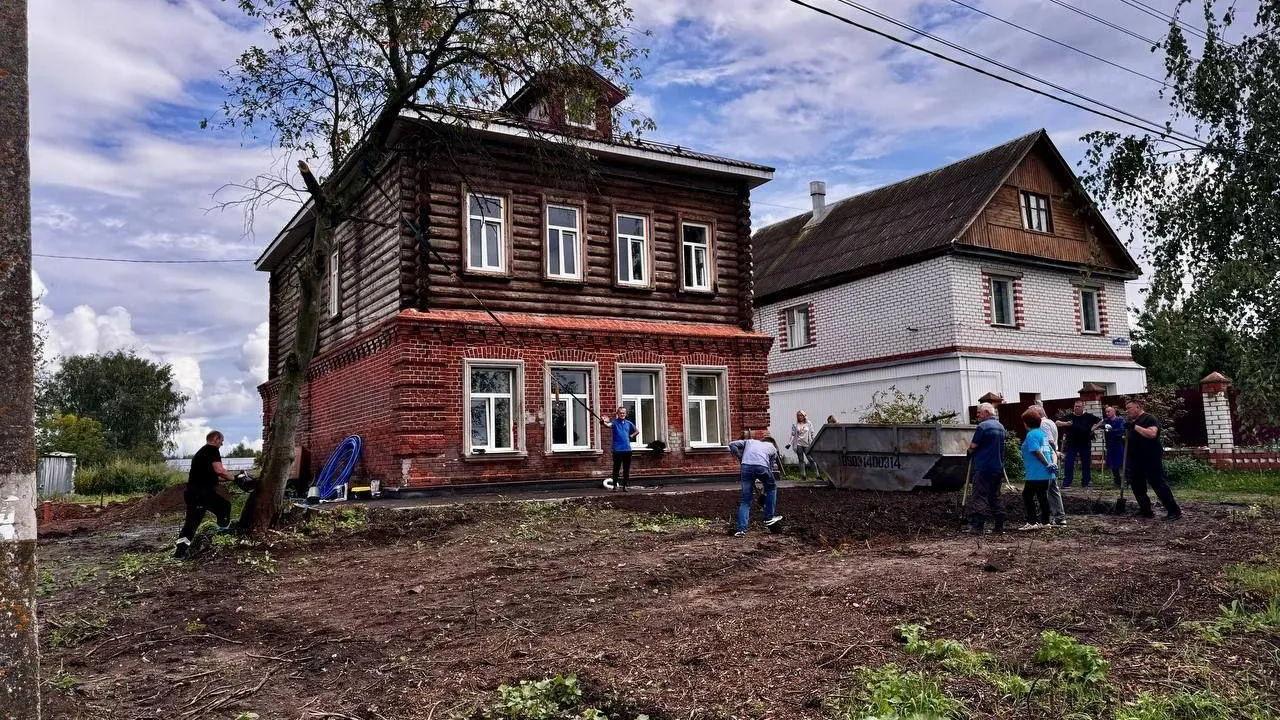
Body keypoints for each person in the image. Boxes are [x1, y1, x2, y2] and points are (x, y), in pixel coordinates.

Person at [175, 430, 235, 558]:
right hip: (200, 494)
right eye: (222, 441)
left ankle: (180, 552)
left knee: (221, 508)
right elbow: (220, 471)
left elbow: (212, 475)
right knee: (222, 508)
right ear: (216, 439)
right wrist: (236, 479)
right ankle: (222, 537)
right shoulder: (212, 450)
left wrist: (231, 477)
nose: (222, 444)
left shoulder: (202, 453)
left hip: (196, 492)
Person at [1124, 399, 1182, 520]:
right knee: (1137, 484)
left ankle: (1174, 510)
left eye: (1129, 408)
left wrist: (1135, 427)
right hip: (1136, 458)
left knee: (1157, 483)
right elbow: (1133, 438)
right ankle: (1146, 510)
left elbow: (1151, 434)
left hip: (1150, 457)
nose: (1127, 410)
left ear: (1138, 407)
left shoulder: (1149, 418)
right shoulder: (1134, 422)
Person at [728, 435, 783, 537]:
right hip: (762, 467)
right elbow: (769, 469)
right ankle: (769, 517)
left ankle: (741, 529)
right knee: (772, 488)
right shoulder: (772, 448)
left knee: (745, 500)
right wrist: (764, 491)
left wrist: (740, 456)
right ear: (772, 443)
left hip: (745, 467)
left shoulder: (749, 442)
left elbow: (732, 444)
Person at [965, 402, 1006, 535]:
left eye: (979, 413)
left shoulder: (982, 427)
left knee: (979, 495)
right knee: (995, 496)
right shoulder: (1001, 427)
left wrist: (969, 452)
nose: (978, 415)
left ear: (986, 413)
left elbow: (973, 445)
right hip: (997, 467)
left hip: (983, 467)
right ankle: (999, 525)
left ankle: (978, 527)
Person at [1019, 409, 1057, 529]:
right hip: (1045, 472)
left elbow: (1036, 451)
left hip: (1036, 472)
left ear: (1026, 423)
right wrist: (1053, 464)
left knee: (1027, 495)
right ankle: (1045, 522)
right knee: (1042, 496)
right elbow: (1052, 452)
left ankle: (1032, 522)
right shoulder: (1042, 434)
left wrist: (1046, 464)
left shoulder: (1031, 434)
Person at [1032, 404, 1068, 526]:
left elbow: (1049, 441)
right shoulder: (1051, 422)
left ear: (1038, 413)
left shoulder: (1042, 424)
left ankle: (1045, 517)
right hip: (1052, 458)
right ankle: (1059, 517)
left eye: (1031, 413)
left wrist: (1052, 459)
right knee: (1053, 488)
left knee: (1044, 489)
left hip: (1046, 459)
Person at [1056, 400, 1102, 488]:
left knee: (1086, 462)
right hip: (1072, 443)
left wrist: (1093, 428)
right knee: (1069, 462)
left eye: (1078, 406)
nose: (1076, 408)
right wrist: (1066, 423)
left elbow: (1100, 421)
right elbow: (1057, 422)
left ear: (1083, 407)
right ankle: (1067, 482)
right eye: (1075, 406)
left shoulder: (1088, 416)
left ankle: (1086, 481)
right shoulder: (1069, 416)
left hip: (1085, 443)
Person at [602, 406, 639, 491]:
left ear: (626, 414)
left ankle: (625, 486)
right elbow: (608, 425)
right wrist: (603, 422)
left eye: (623, 413)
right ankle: (615, 486)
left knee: (626, 469)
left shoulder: (629, 423)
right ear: (617, 414)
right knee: (616, 468)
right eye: (620, 413)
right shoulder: (615, 423)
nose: (622, 414)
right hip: (617, 450)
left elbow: (637, 431)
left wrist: (631, 436)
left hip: (627, 450)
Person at [786, 410, 822, 482]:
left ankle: (817, 475)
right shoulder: (795, 424)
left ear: (804, 416)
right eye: (798, 415)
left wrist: (813, 442)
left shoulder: (809, 423)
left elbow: (812, 434)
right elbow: (793, 435)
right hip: (798, 444)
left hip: (807, 444)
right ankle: (803, 476)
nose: (800, 417)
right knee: (801, 460)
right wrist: (789, 443)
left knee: (811, 459)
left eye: (801, 415)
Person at [1101, 406, 1126, 488]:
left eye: (1109, 411)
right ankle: (1117, 482)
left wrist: (1112, 431)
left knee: (1122, 462)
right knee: (1113, 464)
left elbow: (1121, 430)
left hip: (1119, 444)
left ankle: (1128, 480)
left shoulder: (1120, 420)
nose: (1107, 413)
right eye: (1106, 412)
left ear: (1113, 412)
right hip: (1110, 444)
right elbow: (1103, 429)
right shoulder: (1106, 421)